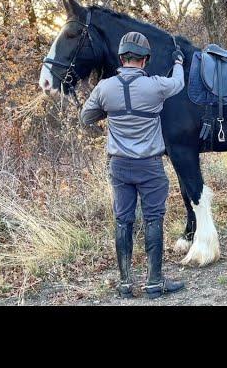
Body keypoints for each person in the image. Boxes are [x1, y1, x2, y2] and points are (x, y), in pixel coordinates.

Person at [80, 31, 185, 299]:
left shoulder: (105, 88)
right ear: (145, 59)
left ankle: (125, 283)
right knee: (153, 220)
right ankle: (154, 282)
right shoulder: (156, 86)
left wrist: (112, 111)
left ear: (121, 57)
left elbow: (86, 117)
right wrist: (178, 62)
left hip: (119, 166)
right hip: (149, 167)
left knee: (123, 221)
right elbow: (179, 83)